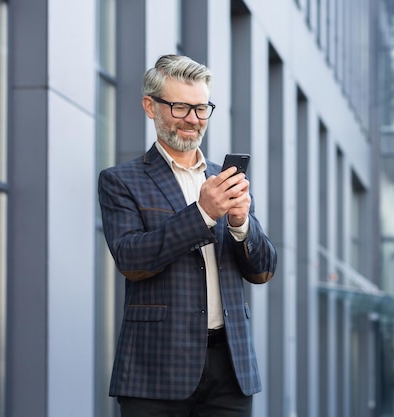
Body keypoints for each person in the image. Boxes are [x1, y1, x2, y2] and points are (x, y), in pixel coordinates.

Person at [98, 54, 277, 417]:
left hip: (231, 368)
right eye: (180, 107)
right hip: (155, 370)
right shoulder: (121, 180)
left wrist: (242, 224)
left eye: (201, 108)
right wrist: (203, 214)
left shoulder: (224, 179)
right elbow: (132, 260)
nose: (193, 120)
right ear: (151, 106)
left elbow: (262, 271)